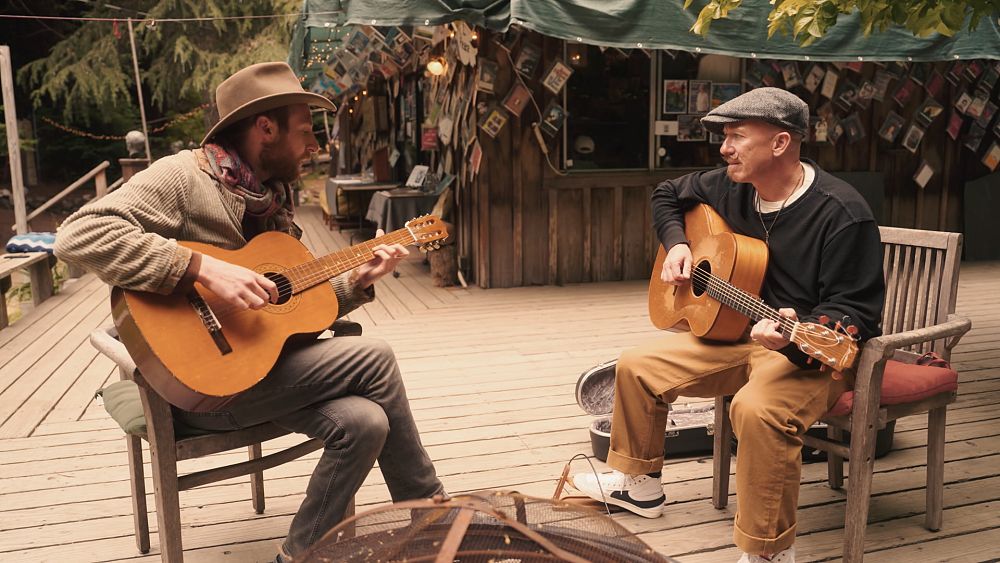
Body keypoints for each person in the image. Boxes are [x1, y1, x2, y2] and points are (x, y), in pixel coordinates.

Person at [54, 62, 445, 562]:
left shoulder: (273, 204)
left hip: (258, 370)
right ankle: (432, 515)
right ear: (266, 128)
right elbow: (77, 235)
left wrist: (355, 283)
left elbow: (286, 312)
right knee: (373, 354)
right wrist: (200, 269)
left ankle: (298, 555)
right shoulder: (183, 177)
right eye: (305, 131)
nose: (315, 147)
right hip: (196, 385)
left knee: (365, 421)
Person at [572, 87, 884, 563]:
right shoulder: (730, 185)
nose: (724, 148)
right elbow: (666, 195)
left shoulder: (841, 213)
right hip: (733, 334)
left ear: (780, 144)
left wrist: (794, 336)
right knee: (636, 364)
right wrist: (677, 243)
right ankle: (639, 485)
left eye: (737, 136)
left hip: (809, 355)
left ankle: (768, 550)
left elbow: (855, 314)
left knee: (757, 410)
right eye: (724, 136)